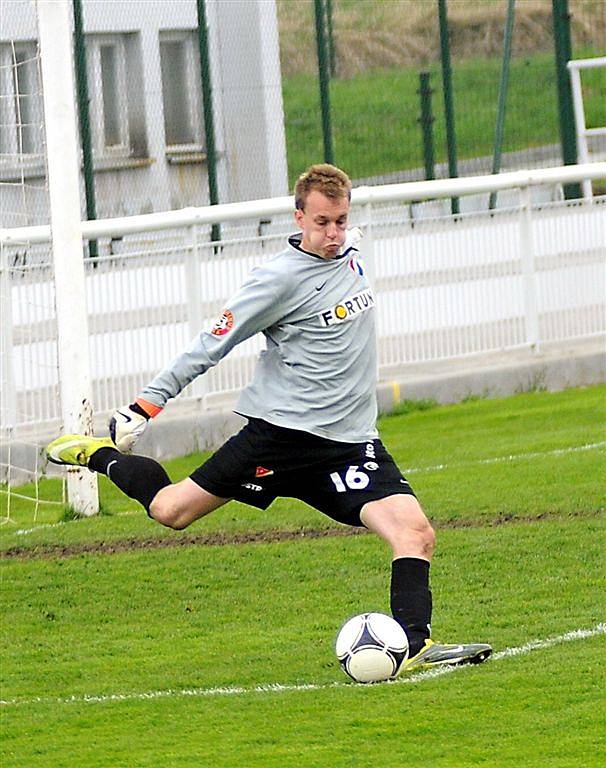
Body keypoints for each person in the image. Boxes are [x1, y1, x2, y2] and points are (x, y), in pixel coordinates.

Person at [46, 164, 491, 672]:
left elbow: (347, 244)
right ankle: (96, 456)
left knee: (415, 534)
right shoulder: (276, 281)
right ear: (298, 216)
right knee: (171, 512)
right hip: (280, 438)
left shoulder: (352, 254)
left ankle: (414, 648)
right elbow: (210, 344)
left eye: (341, 221)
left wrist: (347, 237)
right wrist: (146, 404)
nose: (333, 233)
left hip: (350, 441)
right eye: (322, 222)